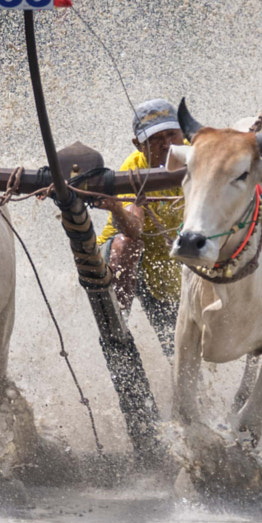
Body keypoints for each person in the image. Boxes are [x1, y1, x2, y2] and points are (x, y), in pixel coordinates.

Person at [95, 98, 187, 356]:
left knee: (180, 355)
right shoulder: (133, 169)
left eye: (172, 134)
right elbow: (134, 229)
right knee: (127, 244)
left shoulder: (202, 156)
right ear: (138, 145)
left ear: (184, 134)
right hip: (131, 266)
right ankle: (118, 328)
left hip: (177, 268)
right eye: (156, 139)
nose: (168, 145)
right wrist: (115, 207)